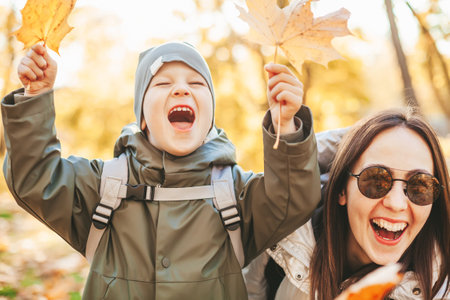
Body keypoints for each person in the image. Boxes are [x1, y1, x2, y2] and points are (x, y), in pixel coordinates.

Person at [1, 42, 322, 299]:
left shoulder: (234, 193)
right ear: (142, 116)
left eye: (196, 83)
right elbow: (36, 179)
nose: (182, 89)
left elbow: (291, 199)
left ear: (208, 117)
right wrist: (36, 96)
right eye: (164, 83)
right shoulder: (103, 186)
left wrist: (286, 127)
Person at [246, 110, 450, 299]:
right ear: (342, 189)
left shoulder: (441, 288)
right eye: (376, 181)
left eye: (419, 186)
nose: (396, 204)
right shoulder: (276, 238)